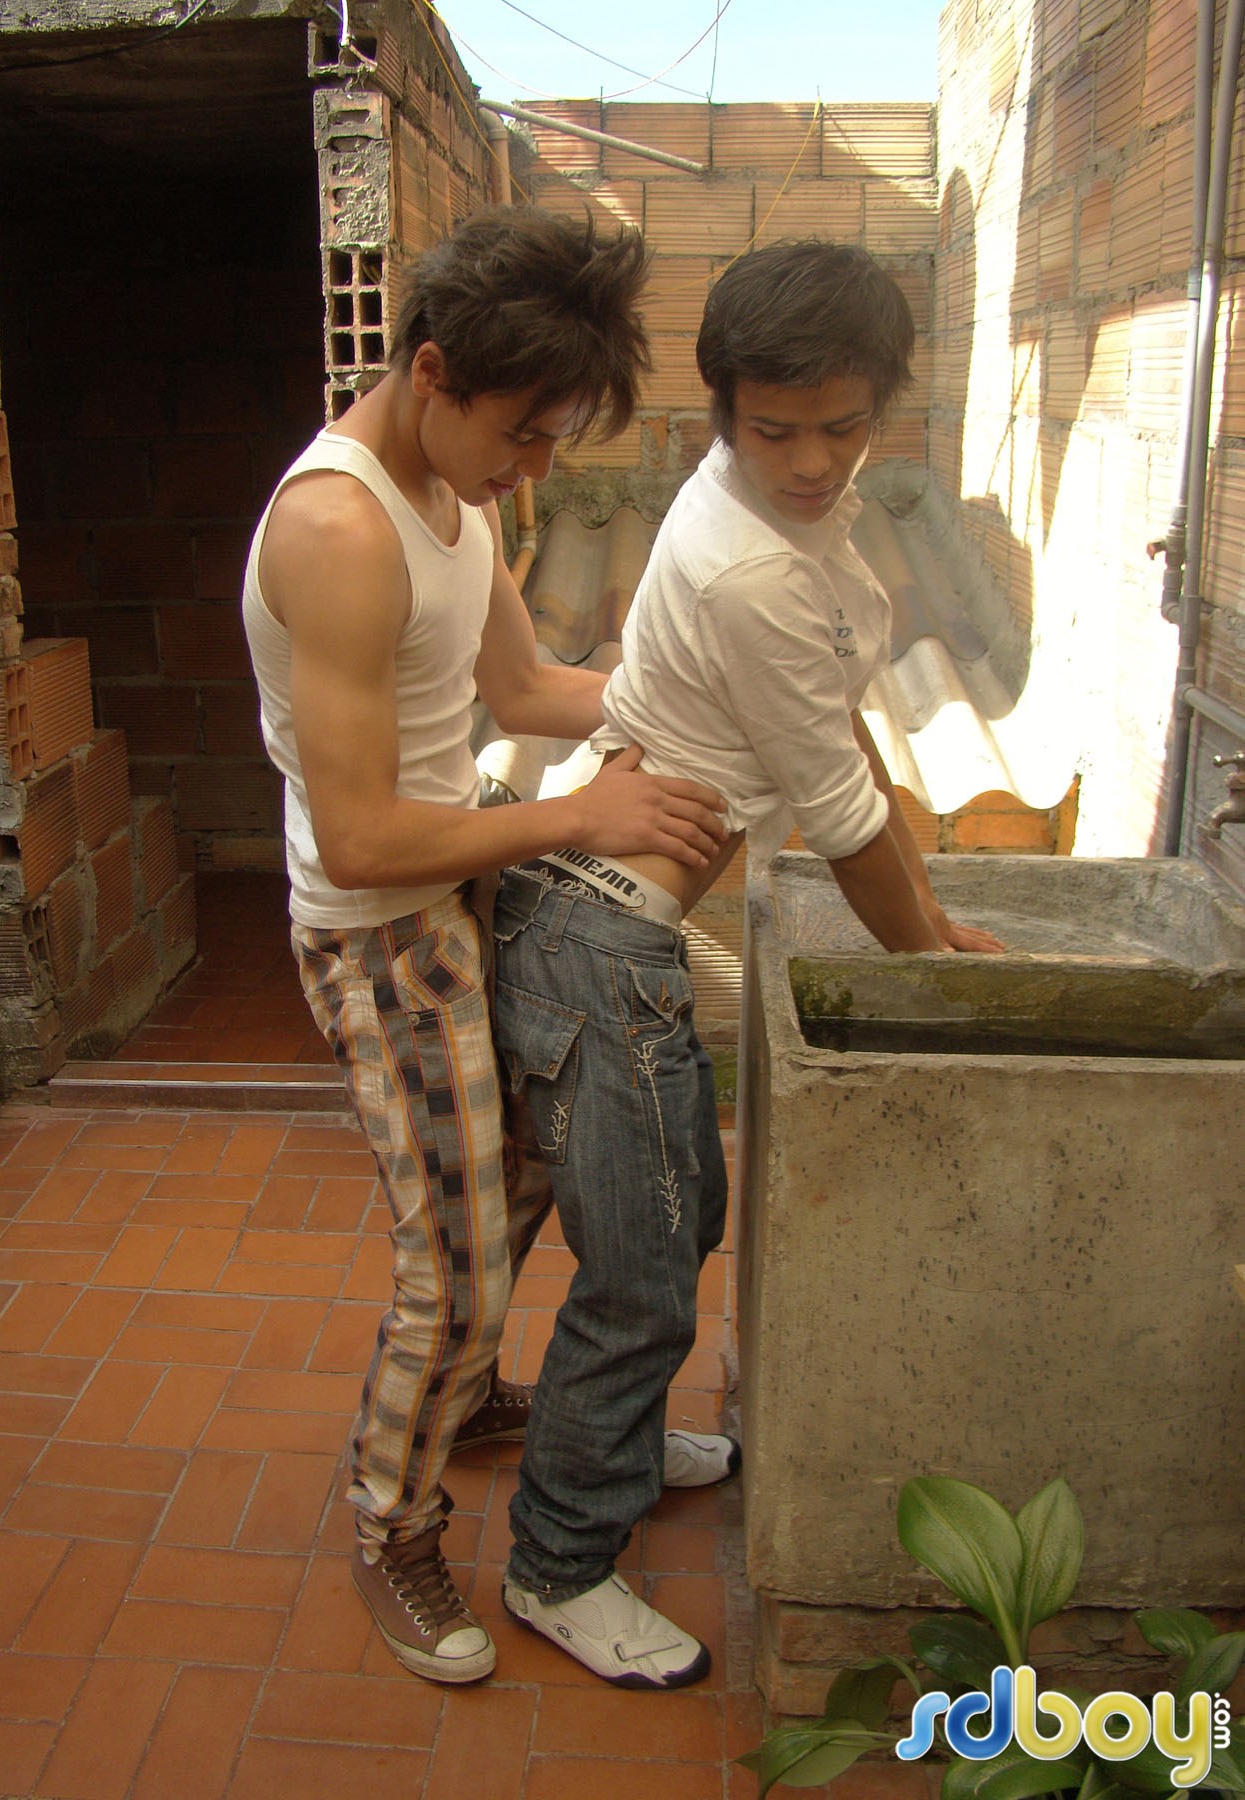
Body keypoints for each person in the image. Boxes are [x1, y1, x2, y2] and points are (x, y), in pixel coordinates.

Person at [492, 239, 1005, 1690]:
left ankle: (623, 1439)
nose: (810, 460)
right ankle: (556, 1562)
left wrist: (930, 923)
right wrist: (927, 964)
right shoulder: (747, 569)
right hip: (595, 944)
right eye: (773, 429)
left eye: (842, 426)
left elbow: (839, 741)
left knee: (677, 1217)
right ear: (720, 412)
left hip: (615, 925)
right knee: (643, 1268)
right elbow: (840, 809)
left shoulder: (784, 517)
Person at [240, 206, 729, 1687]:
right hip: (380, 935)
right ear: (434, 369)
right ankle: (392, 1523)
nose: (534, 473)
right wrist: (579, 817)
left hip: (457, 888)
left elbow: (523, 688)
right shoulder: (338, 532)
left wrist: (696, 703)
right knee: (448, 1274)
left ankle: (464, 1401)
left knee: (518, 1178)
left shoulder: (456, 494)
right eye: (522, 436)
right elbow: (359, 838)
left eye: (552, 441)